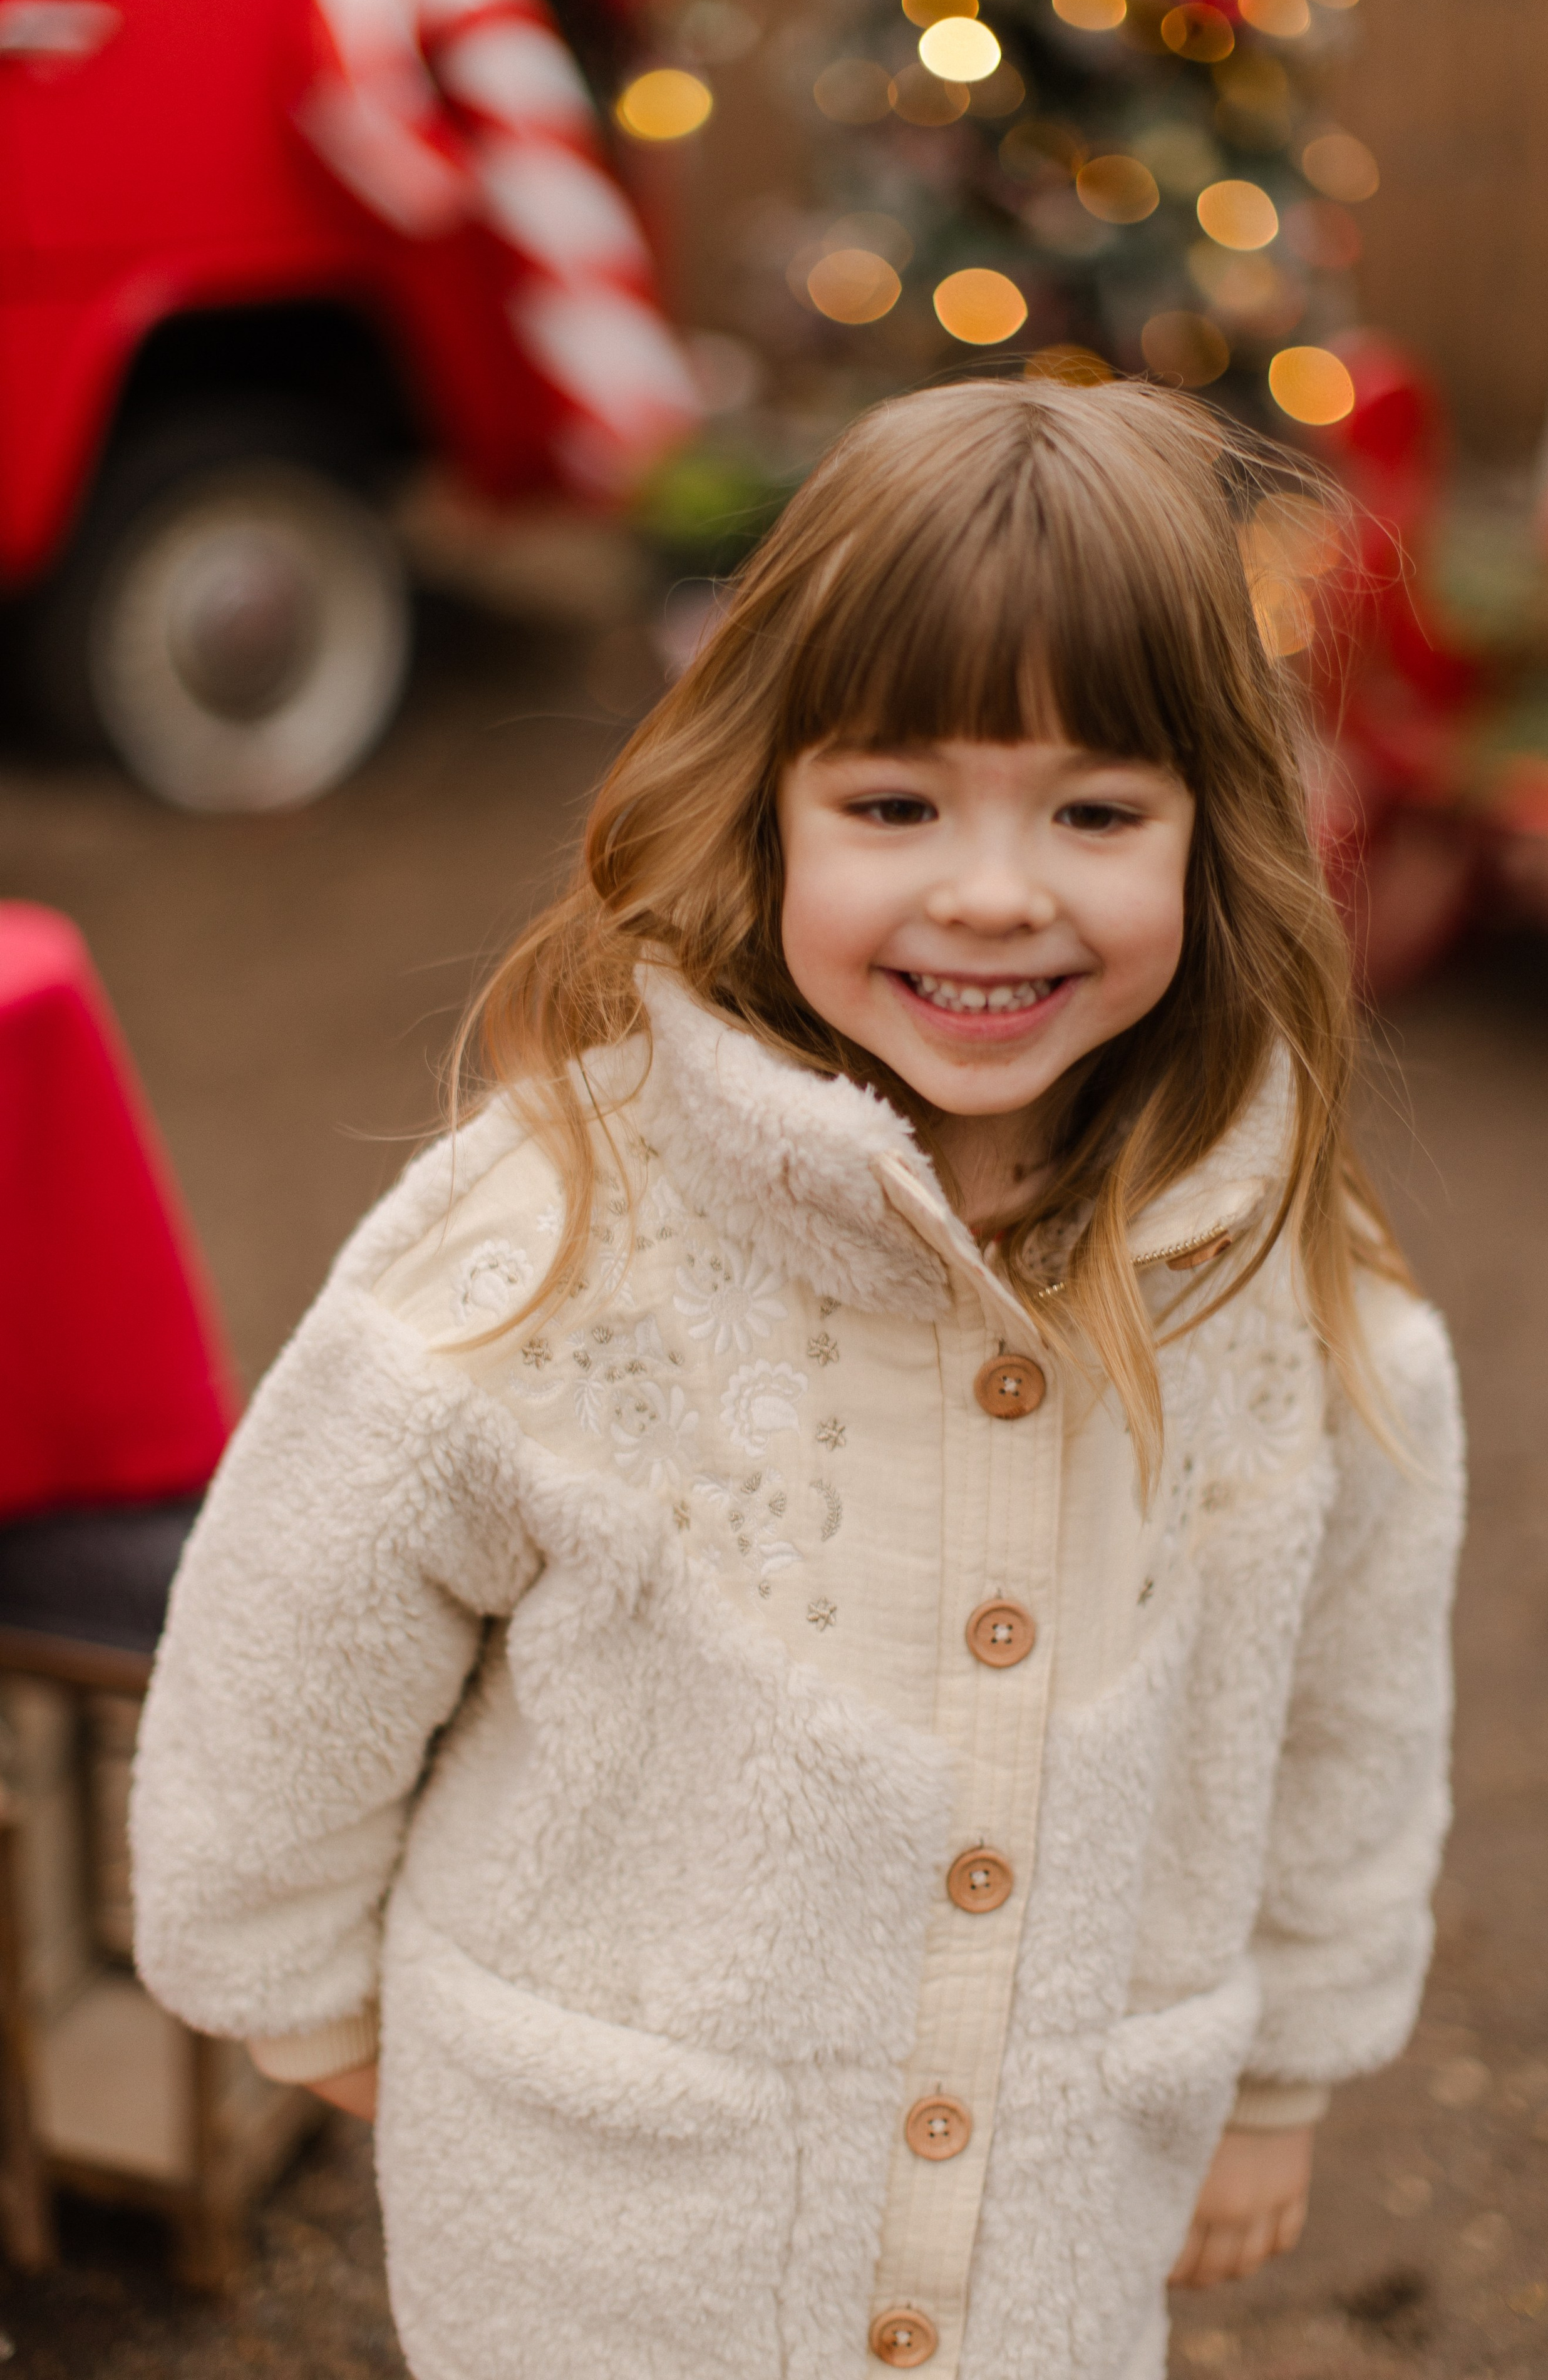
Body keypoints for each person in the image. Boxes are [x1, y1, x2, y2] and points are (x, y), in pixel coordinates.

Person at [130, 378, 1464, 2380]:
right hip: (605, 2251)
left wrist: (1281, 2074)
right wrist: (285, 1969)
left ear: (1219, 837)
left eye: (1098, 812)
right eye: (896, 807)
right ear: (767, 805)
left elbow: (1354, 1700)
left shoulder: (1286, 1279)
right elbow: (303, 1606)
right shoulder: (564, 1225)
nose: (995, 891)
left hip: (1039, 2243)